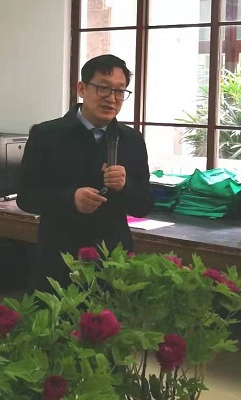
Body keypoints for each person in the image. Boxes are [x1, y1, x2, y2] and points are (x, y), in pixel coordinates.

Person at [16, 54, 155, 292]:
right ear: (81, 88)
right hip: (60, 258)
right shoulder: (46, 135)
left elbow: (144, 205)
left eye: (119, 91)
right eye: (103, 88)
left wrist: (126, 186)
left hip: (113, 261)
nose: (111, 98)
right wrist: (71, 198)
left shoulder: (131, 139)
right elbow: (26, 197)